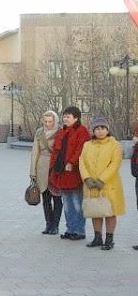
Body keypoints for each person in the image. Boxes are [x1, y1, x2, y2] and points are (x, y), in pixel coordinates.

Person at [79, 118, 125, 250]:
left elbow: (115, 164)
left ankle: (109, 239)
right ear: (93, 131)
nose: (100, 131)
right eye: (97, 129)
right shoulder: (87, 145)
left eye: (103, 128)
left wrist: (101, 179)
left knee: (110, 212)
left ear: (107, 130)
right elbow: (82, 161)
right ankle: (97, 238)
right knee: (95, 211)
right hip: (91, 184)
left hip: (109, 184)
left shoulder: (115, 145)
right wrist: (86, 178)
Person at [49, 106, 91, 241]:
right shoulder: (62, 131)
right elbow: (56, 150)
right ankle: (70, 229)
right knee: (66, 203)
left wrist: (72, 163)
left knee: (77, 202)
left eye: (68, 116)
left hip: (74, 172)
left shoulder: (82, 131)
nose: (65, 118)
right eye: (64, 116)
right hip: (62, 172)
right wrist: (52, 167)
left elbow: (80, 150)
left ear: (76, 118)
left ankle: (79, 230)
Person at [30, 110, 62, 235]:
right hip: (42, 166)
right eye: (46, 121)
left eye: (50, 121)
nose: (48, 124)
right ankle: (48, 224)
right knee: (46, 197)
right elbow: (35, 152)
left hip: (56, 167)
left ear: (55, 121)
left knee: (57, 198)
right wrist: (33, 171)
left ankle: (55, 226)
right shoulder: (39, 132)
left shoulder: (61, 131)